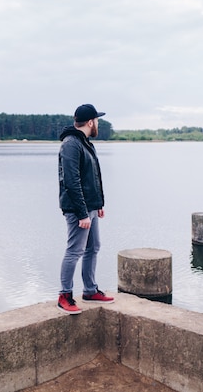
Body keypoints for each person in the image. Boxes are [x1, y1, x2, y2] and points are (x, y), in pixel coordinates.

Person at [57, 103, 115, 314]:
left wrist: (98, 204)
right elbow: (71, 181)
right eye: (97, 120)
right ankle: (64, 295)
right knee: (75, 250)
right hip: (77, 209)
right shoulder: (71, 144)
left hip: (90, 206)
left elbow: (93, 176)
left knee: (93, 247)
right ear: (90, 122)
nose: (97, 123)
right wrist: (82, 213)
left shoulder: (84, 142)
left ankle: (90, 290)